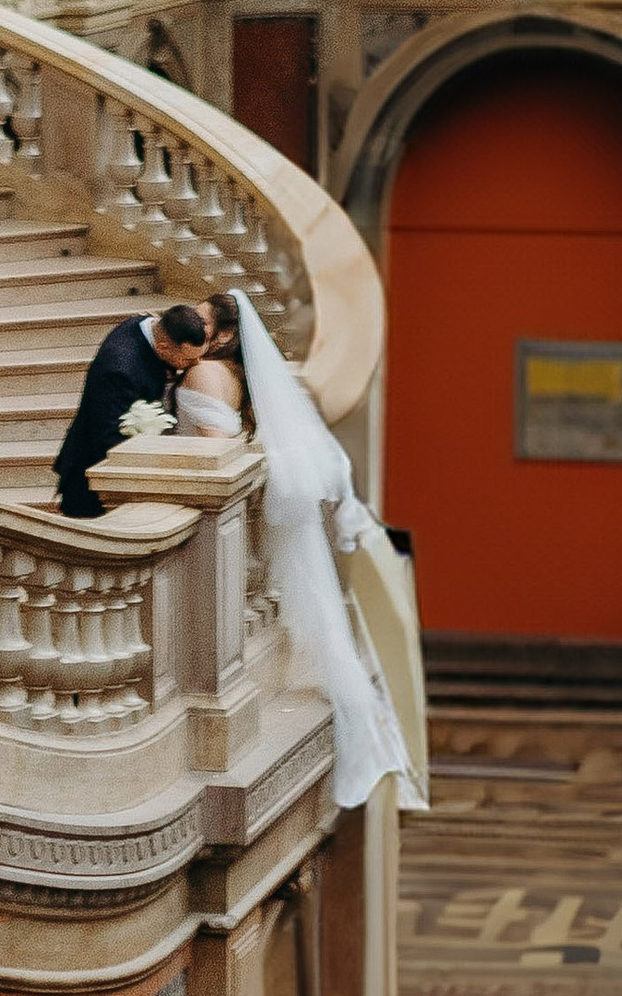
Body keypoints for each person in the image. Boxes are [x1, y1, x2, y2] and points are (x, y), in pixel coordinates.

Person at [226, 291, 427, 815]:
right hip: (289, 531)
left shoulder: (227, 389)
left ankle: (358, 720)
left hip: (277, 534)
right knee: (312, 607)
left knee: (310, 606)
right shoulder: (262, 396)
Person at [53, 301, 207, 518]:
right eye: (188, 359)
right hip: (92, 482)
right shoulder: (120, 370)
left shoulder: (147, 325)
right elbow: (109, 440)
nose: (196, 363)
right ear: (162, 347)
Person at [173, 297, 245, 439]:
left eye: (201, 322)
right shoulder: (233, 368)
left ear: (225, 335)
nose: (190, 326)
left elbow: (215, 444)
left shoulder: (202, 371)